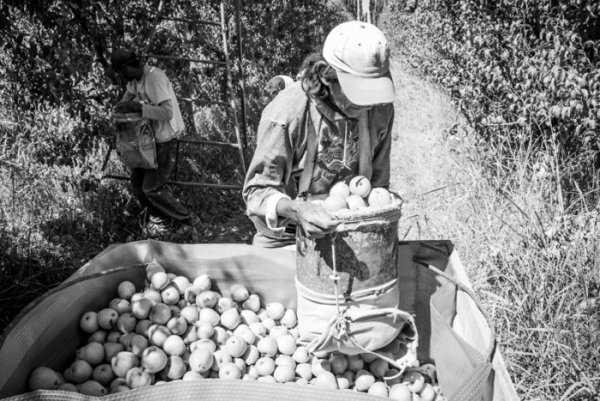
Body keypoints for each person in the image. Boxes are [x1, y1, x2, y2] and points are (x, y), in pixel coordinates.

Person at [243, 21, 396, 247]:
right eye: (359, 93)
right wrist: (296, 210)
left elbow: (378, 184)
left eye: (372, 92)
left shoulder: (379, 110)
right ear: (326, 76)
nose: (368, 105)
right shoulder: (287, 114)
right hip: (287, 235)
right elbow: (257, 191)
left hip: (352, 230)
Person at [110, 48, 203, 237]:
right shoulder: (135, 81)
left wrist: (138, 107)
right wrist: (119, 113)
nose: (121, 76)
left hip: (164, 137)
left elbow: (167, 113)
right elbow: (123, 103)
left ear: (130, 66)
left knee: (151, 187)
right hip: (148, 140)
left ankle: (189, 220)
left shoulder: (154, 78)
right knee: (137, 184)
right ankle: (162, 220)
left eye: (121, 71)